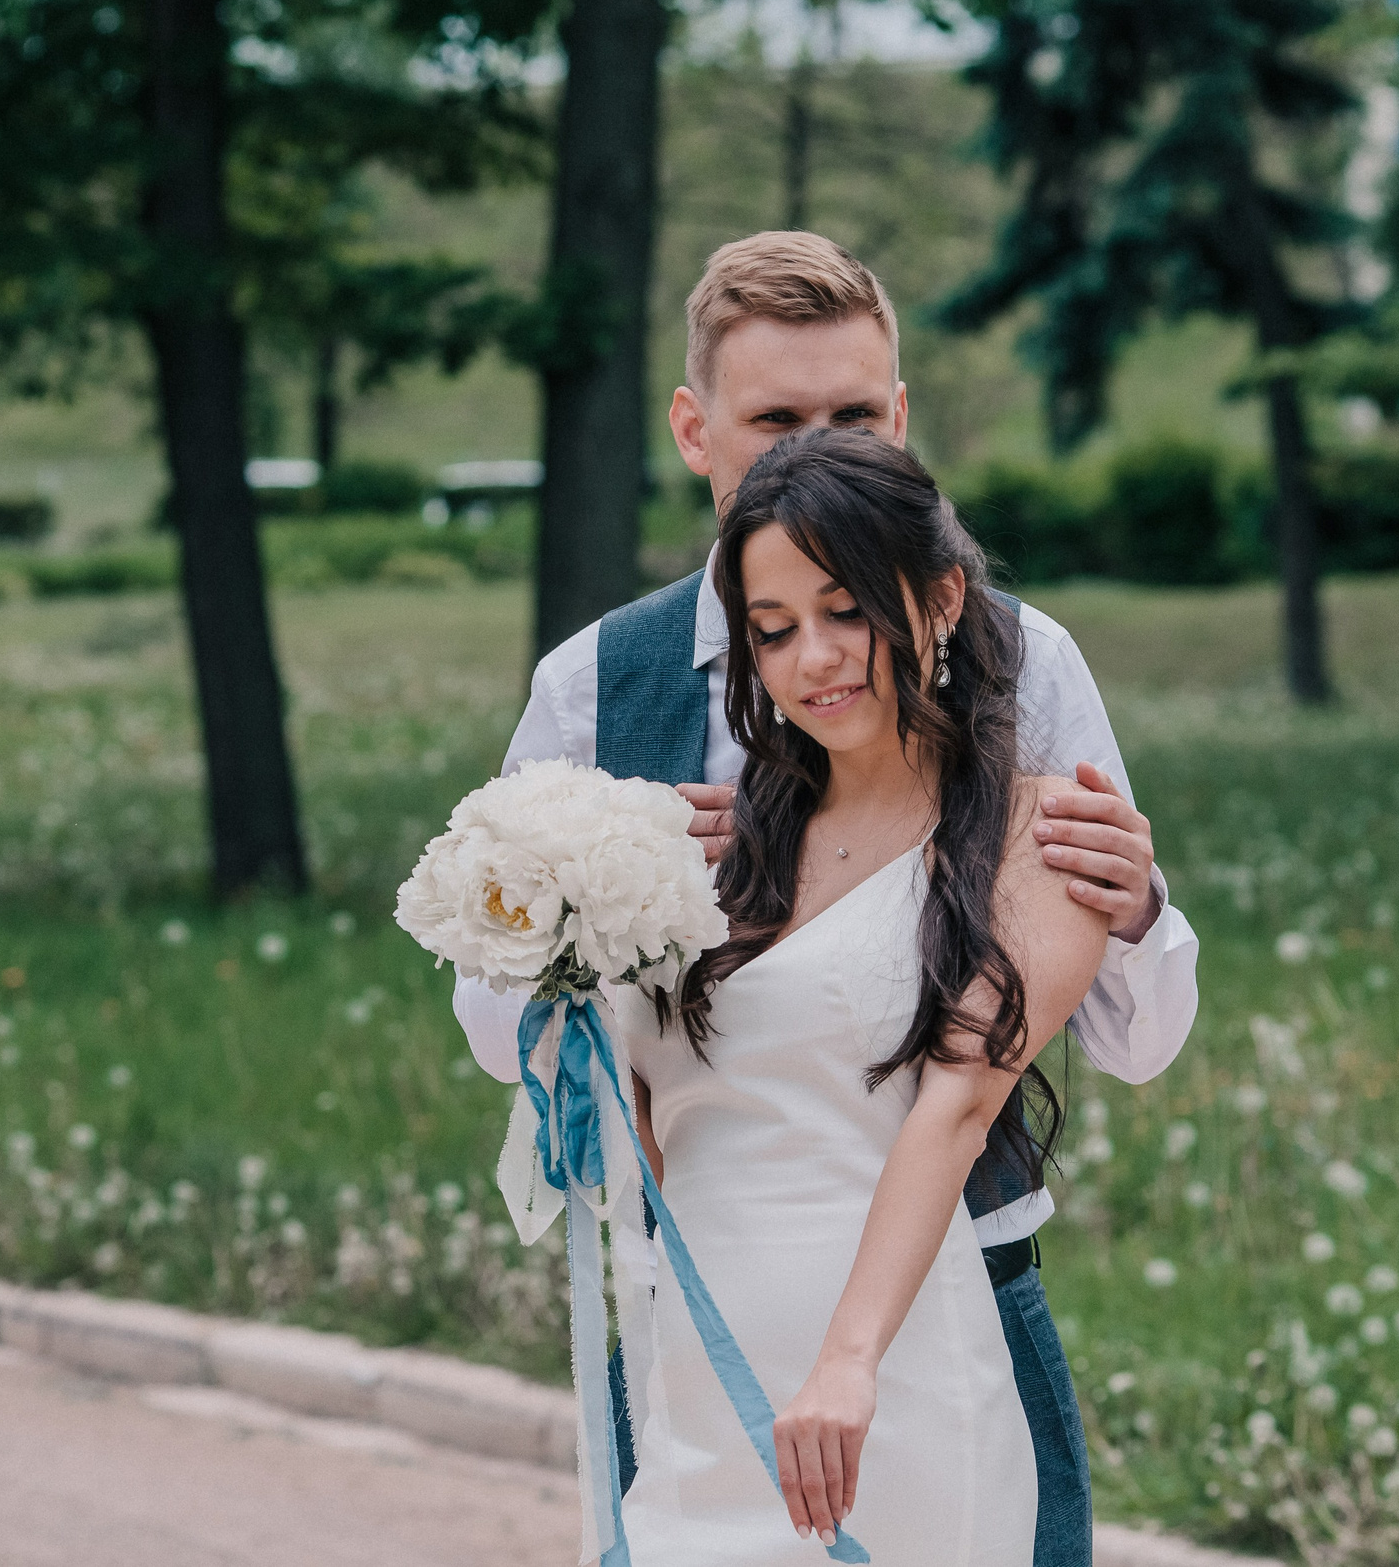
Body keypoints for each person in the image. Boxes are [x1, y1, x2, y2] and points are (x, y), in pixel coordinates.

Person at [452, 231, 1201, 1566]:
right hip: (692, 1312)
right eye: (776, 418)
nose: (817, 447)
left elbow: (1125, 1044)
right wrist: (584, 911)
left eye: (854, 415)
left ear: (901, 420)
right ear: (694, 429)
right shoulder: (597, 686)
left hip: (957, 1295)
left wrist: (1138, 909)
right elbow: (508, 1041)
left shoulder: (1029, 668)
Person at [616, 425, 1101, 1561]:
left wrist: (845, 1359)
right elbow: (649, 1121)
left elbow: (959, 1108)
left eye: (844, 613)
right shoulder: (723, 859)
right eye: (773, 632)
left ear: (936, 600)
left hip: (886, 1376)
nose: (812, 660)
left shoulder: (1037, 836)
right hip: (697, 1359)